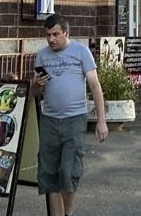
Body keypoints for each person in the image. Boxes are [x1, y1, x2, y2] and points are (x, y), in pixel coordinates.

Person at [32, 14, 107, 216]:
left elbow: (94, 85)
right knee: (49, 173)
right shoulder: (42, 56)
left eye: (55, 34)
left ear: (66, 32)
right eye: (48, 35)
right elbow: (35, 93)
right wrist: (36, 85)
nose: (51, 39)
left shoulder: (81, 51)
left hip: (74, 119)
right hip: (49, 119)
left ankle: (69, 213)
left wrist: (101, 120)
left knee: (68, 171)